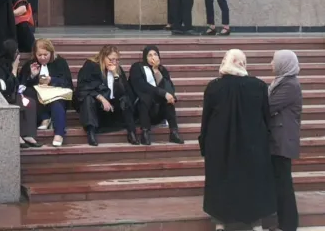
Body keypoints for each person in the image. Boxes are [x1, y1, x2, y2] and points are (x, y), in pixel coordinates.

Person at [199, 49, 276, 230]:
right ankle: (256, 223)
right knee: (253, 180)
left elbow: (206, 119)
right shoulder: (258, 86)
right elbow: (266, 117)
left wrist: (204, 144)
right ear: (242, 62)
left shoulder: (214, 87)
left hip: (220, 144)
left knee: (220, 180)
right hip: (253, 144)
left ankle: (220, 223)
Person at [74, 44, 139, 147]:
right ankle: (91, 132)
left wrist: (116, 76)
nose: (114, 63)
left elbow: (124, 91)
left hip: (113, 108)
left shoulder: (118, 69)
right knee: (88, 98)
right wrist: (101, 98)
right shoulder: (91, 66)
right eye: (111, 59)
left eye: (116, 60)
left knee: (125, 99)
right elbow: (83, 88)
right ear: (103, 56)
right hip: (97, 106)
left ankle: (132, 133)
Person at [269, 50, 302, 231]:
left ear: (284, 63)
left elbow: (269, 105)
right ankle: (283, 223)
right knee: (279, 182)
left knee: (283, 184)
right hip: (277, 139)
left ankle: (288, 225)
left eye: (274, 61)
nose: (271, 64)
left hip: (282, 141)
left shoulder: (290, 85)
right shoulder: (281, 81)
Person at [17, 39, 72, 148]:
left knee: (57, 102)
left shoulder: (60, 62)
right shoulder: (30, 64)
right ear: (35, 54)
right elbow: (22, 86)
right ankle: (44, 118)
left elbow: (67, 82)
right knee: (29, 93)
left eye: (45, 55)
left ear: (51, 53)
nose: (42, 58)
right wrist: (32, 76)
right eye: (39, 55)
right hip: (39, 98)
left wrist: (51, 80)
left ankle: (59, 133)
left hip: (56, 94)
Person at [127, 45, 183, 145]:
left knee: (169, 100)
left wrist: (156, 71)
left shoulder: (162, 70)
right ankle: (145, 133)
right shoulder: (137, 67)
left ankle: (174, 132)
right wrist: (163, 93)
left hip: (157, 110)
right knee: (145, 98)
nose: (153, 57)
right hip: (141, 110)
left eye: (155, 54)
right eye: (150, 55)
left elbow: (169, 89)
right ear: (145, 57)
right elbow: (142, 86)